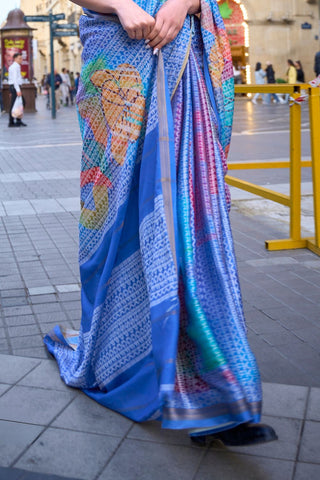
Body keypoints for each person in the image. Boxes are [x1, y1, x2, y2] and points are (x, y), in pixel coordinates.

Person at [44, 0, 277, 447]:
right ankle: (125, 360)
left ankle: (224, 388)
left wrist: (182, 2)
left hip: (182, 53)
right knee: (125, 221)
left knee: (192, 216)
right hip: (118, 58)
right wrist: (118, 6)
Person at [8, 52, 27, 127]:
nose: (21, 60)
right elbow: (15, 80)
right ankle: (11, 122)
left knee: (20, 104)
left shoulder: (17, 66)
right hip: (15, 87)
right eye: (20, 58)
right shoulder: (14, 67)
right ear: (15, 59)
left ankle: (18, 120)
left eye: (21, 58)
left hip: (16, 87)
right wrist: (18, 90)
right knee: (14, 104)